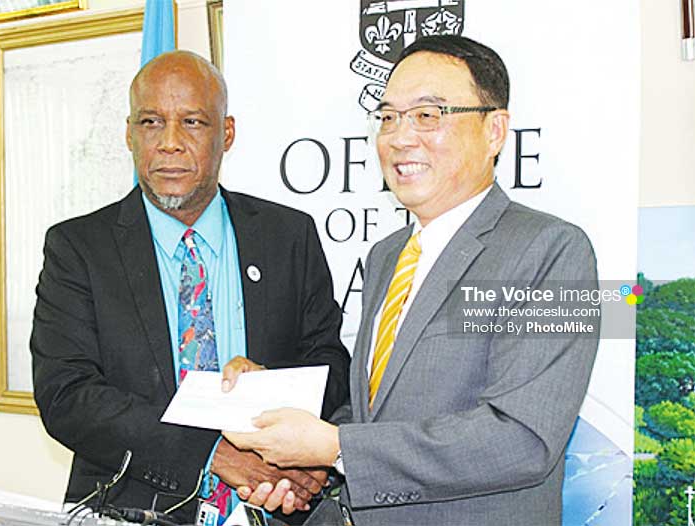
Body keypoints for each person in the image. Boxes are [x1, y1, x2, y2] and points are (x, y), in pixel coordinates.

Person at [224, 35, 600, 525]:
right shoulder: (387, 256)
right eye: (387, 117)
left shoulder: (555, 251)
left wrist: (335, 447)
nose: (400, 137)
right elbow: (374, 416)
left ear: (495, 130)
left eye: (428, 115)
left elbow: (522, 438)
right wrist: (297, 454)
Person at [30, 50, 350, 524]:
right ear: (129, 134)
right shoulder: (78, 248)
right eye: (151, 122)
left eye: (194, 122)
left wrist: (292, 442)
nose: (170, 143)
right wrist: (210, 453)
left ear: (227, 133)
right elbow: (67, 395)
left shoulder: (287, 235)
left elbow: (331, 365)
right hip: (128, 509)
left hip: (277, 506)